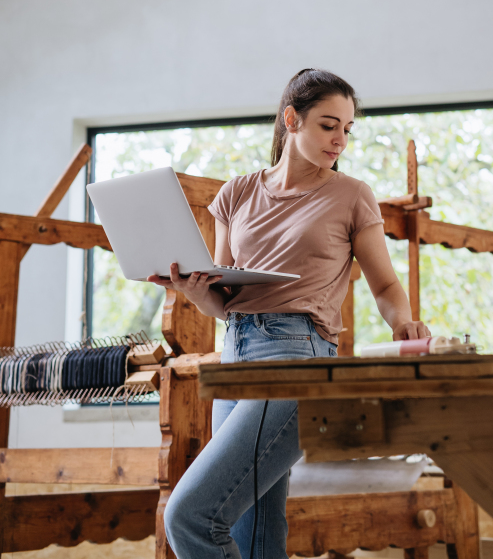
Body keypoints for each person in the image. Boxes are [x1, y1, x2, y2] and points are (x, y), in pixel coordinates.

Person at [148, 68, 430, 559]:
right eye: (328, 125)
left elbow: (384, 283)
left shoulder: (352, 195)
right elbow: (225, 299)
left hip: (297, 356)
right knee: (253, 531)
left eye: (347, 128)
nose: (340, 139)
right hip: (234, 354)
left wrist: (402, 321)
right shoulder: (235, 193)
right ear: (291, 119)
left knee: (190, 515)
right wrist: (193, 290)